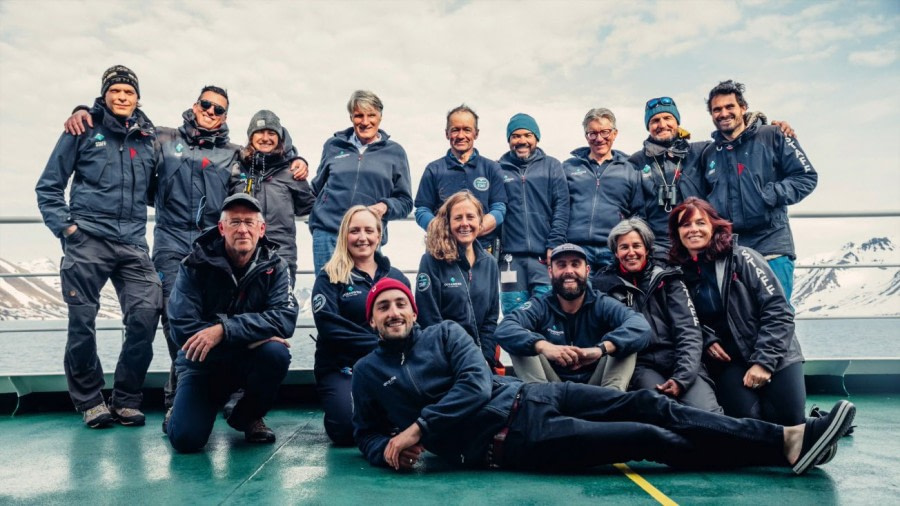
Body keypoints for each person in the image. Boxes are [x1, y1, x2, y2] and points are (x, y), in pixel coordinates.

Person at [351, 278, 855, 476]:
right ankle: (780, 448)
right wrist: (386, 450)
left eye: (400, 304)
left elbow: (476, 385)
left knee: (654, 405)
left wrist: (418, 428)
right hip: (512, 441)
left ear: (413, 312)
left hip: (534, 395)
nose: (394, 312)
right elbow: (366, 433)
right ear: (372, 320)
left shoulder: (445, 334)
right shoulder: (370, 374)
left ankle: (787, 439)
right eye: (384, 308)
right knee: (646, 436)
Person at [62, 88, 308, 423]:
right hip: (171, 241)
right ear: (194, 106)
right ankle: (177, 397)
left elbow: (267, 155)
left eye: (218, 109)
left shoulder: (233, 153)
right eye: (205, 104)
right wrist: (86, 110)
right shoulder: (163, 138)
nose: (210, 111)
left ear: (225, 116)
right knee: (171, 317)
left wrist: (297, 158)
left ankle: (223, 397)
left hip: (211, 242)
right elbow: (126, 124)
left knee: (223, 310)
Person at [35, 65, 162, 428]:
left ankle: (125, 398)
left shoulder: (148, 138)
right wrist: (68, 230)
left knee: (145, 315)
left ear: (138, 98)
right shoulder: (83, 129)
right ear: (104, 95)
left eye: (129, 92)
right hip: (87, 240)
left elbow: (159, 191)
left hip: (133, 244)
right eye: (115, 92)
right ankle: (91, 400)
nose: (122, 97)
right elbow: (48, 187)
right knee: (82, 322)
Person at [166, 194, 297, 452]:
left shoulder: (276, 266)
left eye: (249, 222)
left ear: (261, 230)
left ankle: (246, 415)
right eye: (235, 222)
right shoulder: (194, 264)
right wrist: (251, 336)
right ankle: (180, 411)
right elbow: (183, 327)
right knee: (186, 440)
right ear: (221, 228)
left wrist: (222, 330)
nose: (242, 229)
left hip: (245, 361)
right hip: (204, 363)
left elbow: (285, 318)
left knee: (276, 353)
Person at [668, 197, 806, 425]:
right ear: (677, 232)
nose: (693, 230)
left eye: (700, 223)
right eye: (685, 225)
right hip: (731, 361)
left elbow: (779, 311)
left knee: (788, 420)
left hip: (776, 353)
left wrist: (764, 362)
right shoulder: (679, 274)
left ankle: (812, 424)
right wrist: (706, 338)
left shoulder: (743, 258)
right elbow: (683, 320)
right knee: (747, 422)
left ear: (714, 226)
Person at [629, 97, 797, 263]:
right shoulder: (636, 161)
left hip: (702, 247)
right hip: (660, 251)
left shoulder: (702, 151)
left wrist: (763, 125)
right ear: (648, 126)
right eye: (655, 120)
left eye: (667, 118)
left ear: (677, 122)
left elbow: (735, 138)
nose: (662, 124)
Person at [698, 80, 817, 300]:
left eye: (729, 106)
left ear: (743, 108)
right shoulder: (709, 154)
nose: (724, 113)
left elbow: (806, 177)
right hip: (731, 250)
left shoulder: (773, 135)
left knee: (778, 314)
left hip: (772, 245)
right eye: (717, 109)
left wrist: (769, 195)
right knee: (742, 320)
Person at [592, 218, 721, 412]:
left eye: (637, 245)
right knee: (663, 412)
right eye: (623, 247)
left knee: (708, 413)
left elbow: (689, 331)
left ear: (647, 248)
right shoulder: (604, 286)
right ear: (616, 253)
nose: (631, 252)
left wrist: (682, 378)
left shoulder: (669, 277)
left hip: (681, 361)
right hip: (640, 365)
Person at [311, 205, 410, 446]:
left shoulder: (396, 278)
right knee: (345, 431)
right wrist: (381, 345)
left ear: (379, 235)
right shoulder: (330, 277)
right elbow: (330, 328)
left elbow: (411, 323)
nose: (362, 237)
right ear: (345, 235)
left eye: (369, 230)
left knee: (411, 420)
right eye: (355, 231)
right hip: (343, 368)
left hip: (387, 367)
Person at [494, 243, 650, 390]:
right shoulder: (540, 305)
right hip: (551, 388)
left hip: (597, 388)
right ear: (550, 272)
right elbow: (505, 329)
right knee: (520, 340)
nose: (569, 271)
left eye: (575, 264)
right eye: (561, 265)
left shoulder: (602, 303)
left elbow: (640, 327)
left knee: (626, 342)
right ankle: (539, 404)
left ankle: (611, 401)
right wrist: (544, 346)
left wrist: (600, 349)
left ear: (587, 271)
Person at [308, 90, 413, 273]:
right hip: (328, 234)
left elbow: (405, 202)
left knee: (363, 297)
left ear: (380, 117)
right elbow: (315, 189)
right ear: (351, 117)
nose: (365, 122)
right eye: (359, 116)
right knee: (326, 296)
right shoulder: (333, 146)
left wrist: (384, 207)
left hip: (367, 237)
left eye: (371, 115)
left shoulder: (395, 152)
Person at [415, 191, 502, 372]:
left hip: (480, 361)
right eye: (458, 218)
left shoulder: (490, 263)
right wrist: (455, 359)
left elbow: (491, 319)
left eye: (470, 217)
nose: (465, 224)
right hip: (444, 360)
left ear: (480, 221)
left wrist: (485, 359)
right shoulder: (431, 261)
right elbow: (429, 319)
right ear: (448, 223)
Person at [496, 113, 569, 313]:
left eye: (527, 135)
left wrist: (554, 243)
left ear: (536, 138)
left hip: (544, 257)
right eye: (516, 136)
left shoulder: (552, 166)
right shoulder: (497, 169)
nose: (522, 141)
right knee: (514, 316)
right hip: (510, 261)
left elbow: (562, 206)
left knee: (549, 312)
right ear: (509, 140)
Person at [230, 110, 314, 282]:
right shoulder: (237, 168)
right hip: (242, 252)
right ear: (251, 137)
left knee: (282, 306)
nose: (265, 138)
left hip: (281, 254)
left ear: (280, 138)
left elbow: (310, 207)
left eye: (272, 133)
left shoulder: (291, 171)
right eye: (260, 132)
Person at [414, 104, 507, 252]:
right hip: (443, 250)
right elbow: (421, 210)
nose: (461, 135)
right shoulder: (434, 169)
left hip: (483, 250)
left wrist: (474, 230)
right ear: (446, 134)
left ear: (476, 133)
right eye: (455, 130)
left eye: (467, 130)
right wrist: (443, 232)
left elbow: (499, 209)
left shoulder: (491, 168)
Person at [564, 108, 643, 271]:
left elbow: (638, 212)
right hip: (576, 249)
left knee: (614, 296)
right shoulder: (568, 167)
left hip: (613, 249)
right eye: (592, 133)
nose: (599, 139)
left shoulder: (630, 169)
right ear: (586, 135)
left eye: (605, 132)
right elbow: (558, 207)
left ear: (614, 133)